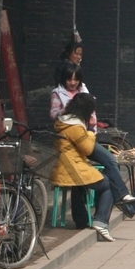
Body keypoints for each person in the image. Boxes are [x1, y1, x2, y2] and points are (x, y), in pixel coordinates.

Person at [52, 92, 115, 241]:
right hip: (73, 167)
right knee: (108, 184)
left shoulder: (62, 122)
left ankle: (81, 220)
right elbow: (87, 148)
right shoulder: (75, 126)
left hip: (63, 166)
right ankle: (101, 220)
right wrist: (91, 132)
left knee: (79, 186)